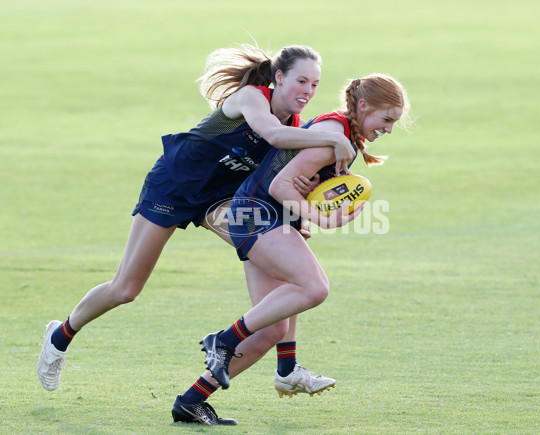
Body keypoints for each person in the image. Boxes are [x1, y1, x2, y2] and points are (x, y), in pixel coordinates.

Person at [37, 43, 356, 410]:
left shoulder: (298, 128)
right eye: (301, 81)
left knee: (286, 260)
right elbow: (271, 135)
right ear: (279, 77)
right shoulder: (251, 97)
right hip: (173, 185)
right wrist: (333, 136)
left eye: (315, 85)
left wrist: (295, 217)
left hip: (220, 201)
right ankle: (60, 336)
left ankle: (287, 368)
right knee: (126, 288)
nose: (308, 92)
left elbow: (277, 178)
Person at [183, 74, 410, 424]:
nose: (390, 129)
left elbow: (294, 181)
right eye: (387, 119)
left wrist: (304, 209)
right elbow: (279, 184)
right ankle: (223, 341)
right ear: (363, 106)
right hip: (257, 216)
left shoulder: (341, 135)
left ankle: (193, 399)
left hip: (267, 216)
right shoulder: (333, 137)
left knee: (272, 326)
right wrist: (319, 219)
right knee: (313, 287)